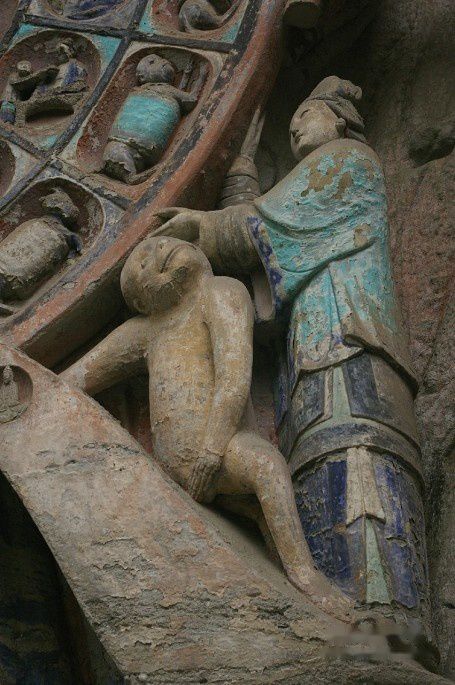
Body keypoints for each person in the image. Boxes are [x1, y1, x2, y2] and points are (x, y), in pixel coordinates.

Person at [155, 76, 429, 618]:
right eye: (291, 122)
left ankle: (389, 621)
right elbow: (273, 246)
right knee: (315, 456)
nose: (296, 127)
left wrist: (203, 228)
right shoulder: (314, 189)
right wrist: (240, 183)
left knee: (358, 455)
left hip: (349, 341)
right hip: (314, 346)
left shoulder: (348, 161)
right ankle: (343, 613)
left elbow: (270, 225)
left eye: (306, 114)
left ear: (341, 119)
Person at [61, 235, 352, 620]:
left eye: (160, 243)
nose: (156, 251)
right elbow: (77, 378)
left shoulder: (220, 292)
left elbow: (233, 378)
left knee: (267, 468)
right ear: (142, 302)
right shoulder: (146, 329)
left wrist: (212, 451)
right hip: (177, 470)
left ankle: (304, 576)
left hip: (222, 447)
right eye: (141, 265)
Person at [103, 54, 205, 183]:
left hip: (145, 150)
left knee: (116, 150)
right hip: (123, 145)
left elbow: (188, 100)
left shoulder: (167, 90)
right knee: (116, 150)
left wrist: (196, 75)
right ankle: (131, 177)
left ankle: (134, 175)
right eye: (152, 62)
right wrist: (201, 76)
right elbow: (190, 99)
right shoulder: (143, 90)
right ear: (142, 76)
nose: (163, 61)